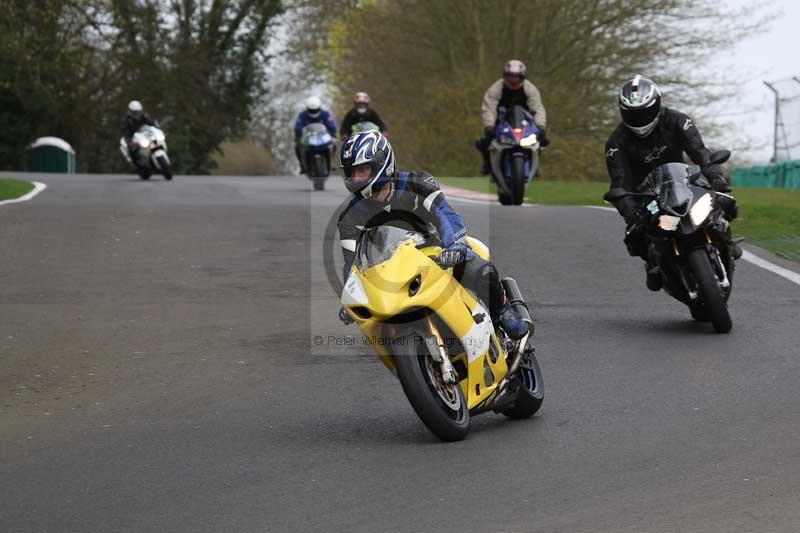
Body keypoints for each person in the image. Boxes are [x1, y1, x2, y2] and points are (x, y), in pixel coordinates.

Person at [336, 131, 528, 339]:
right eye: (352, 172)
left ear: (383, 163)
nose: (356, 178)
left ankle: (503, 310)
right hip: (392, 269)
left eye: (363, 170)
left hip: (437, 252)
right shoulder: (350, 217)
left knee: (478, 269)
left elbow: (443, 213)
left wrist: (455, 246)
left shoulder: (417, 183)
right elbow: (351, 264)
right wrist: (351, 296)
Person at [604, 75, 742, 290]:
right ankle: (654, 264)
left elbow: (700, 153)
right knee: (635, 235)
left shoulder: (678, 121)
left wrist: (716, 177)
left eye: (644, 112)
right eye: (633, 114)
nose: (640, 118)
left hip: (684, 181)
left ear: (657, 104)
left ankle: (727, 242)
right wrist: (629, 211)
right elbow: (619, 181)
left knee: (725, 201)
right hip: (647, 193)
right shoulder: (616, 142)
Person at [476, 60, 549, 175]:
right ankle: (487, 164)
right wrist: (489, 125)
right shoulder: (496, 89)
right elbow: (489, 107)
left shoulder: (530, 89)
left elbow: (538, 108)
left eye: (516, 77)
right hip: (502, 121)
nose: (513, 80)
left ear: (522, 77)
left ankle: (534, 164)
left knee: (541, 140)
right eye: (510, 77)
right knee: (485, 141)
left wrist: (541, 126)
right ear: (505, 76)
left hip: (525, 122)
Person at [294, 96, 337, 174]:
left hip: (322, 137)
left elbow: (331, 125)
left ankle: (330, 162)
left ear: (319, 107)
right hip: (308, 138)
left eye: (315, 110)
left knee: (333, 144)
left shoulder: (325, 114)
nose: (313, 112)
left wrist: (333, 135)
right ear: (307, 108)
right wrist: (298, 137)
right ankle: (302, 165)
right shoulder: (302, 115)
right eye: (311, 110)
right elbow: (298, 127)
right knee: (297, 146)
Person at [121, 100, 159, 166]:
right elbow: (125, 131)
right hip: (133, 135)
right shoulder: (126, 119)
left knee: (152, 140)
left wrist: (157, 127)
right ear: (130, 111)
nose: (137, 113)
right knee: (133, 148)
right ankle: (141, 160)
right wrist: (130, 142)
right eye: (135, 112)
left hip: (143, 133)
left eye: (138, 111)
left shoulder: (144, 115)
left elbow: (150, 121)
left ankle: (154, 150)